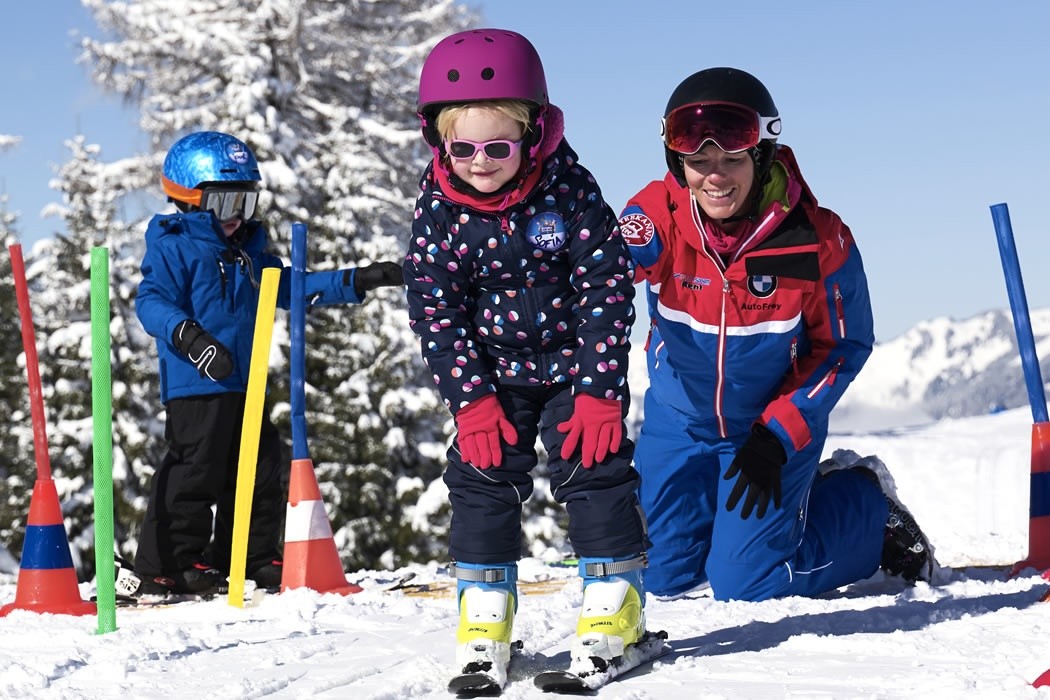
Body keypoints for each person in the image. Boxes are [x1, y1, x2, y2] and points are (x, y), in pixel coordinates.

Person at [618, 67, 932, 602]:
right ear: (678, 163)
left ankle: (867, 509)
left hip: (766, 432)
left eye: (732, 159)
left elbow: (844, 345)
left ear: (761, 155)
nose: (714, 176)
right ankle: (730, 527)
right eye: (699, 162)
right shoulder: (655, 218)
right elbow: (600, 277)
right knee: (660, 578)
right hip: (679, 423)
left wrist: (779, 432)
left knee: (746, 583)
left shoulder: (817, 238)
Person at [403, 29, 652, 684]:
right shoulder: (437, 216)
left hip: (574, 367)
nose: (480, 161)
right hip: (494, 375)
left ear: (534, 136)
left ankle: (615, 607)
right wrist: (472, 400)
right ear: (440, 144)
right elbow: (437, 312)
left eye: (498, 146)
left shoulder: (568, 194)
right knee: (482, 477)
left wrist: (599, 388)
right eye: (463, 148)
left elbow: (605, 289)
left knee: (593, 467)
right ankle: (483, 611)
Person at [128, 130, 402, 597]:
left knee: (261, 466)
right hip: (197, 383)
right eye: (227, 204)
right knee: (197, 468)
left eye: (247, 204)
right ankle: (171, 562)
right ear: (190, 199)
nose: (238, 217)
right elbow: (151, 301)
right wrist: (191, 338)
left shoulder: (249, 257)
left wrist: (359, 279)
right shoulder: (175, 248)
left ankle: (248, 556)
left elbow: (295, 287)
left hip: (245, 382)